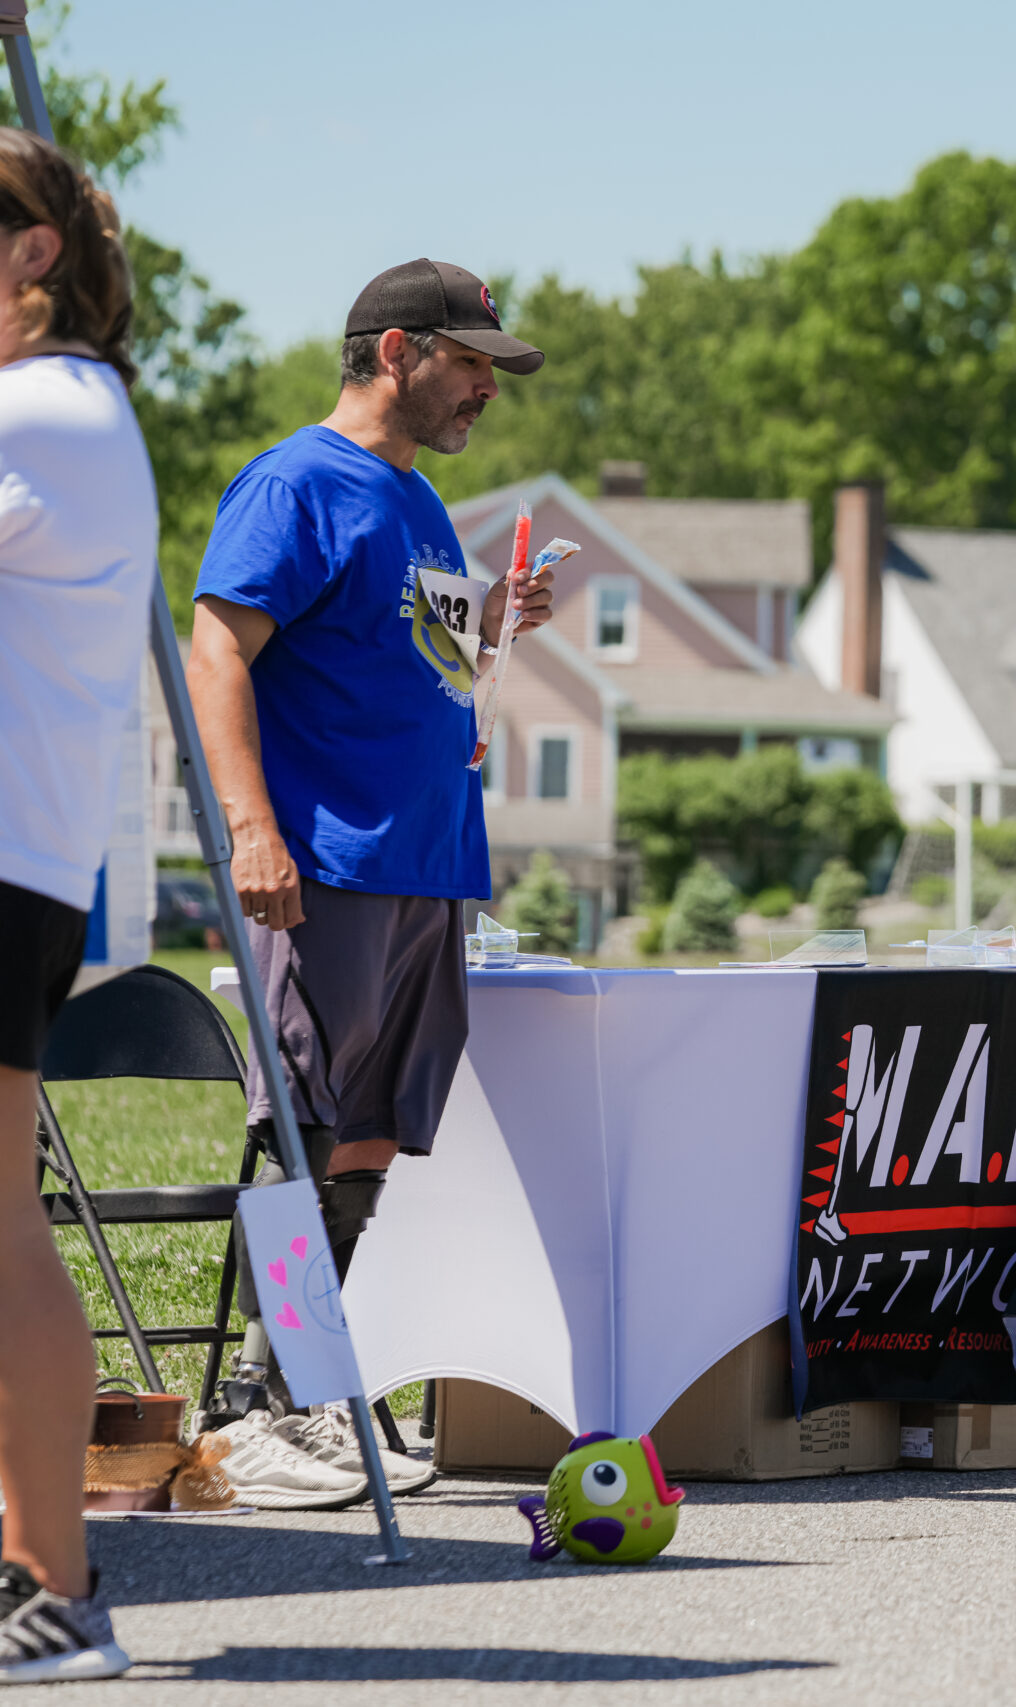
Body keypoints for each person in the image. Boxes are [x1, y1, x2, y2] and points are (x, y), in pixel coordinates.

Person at [187, 258, 553, 1507]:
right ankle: (257, 1402)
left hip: (428, 863)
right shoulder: (294, 482)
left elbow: (424, 664)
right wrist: (250, 828)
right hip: (323, 867)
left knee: (372, 1132)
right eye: (470, 367)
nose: (485, 395)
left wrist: (499, 620)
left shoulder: (421, 504)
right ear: (396, 352)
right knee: (299, 1125)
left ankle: (313, 1387)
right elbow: (217, 653)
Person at [0, 128, 152, 1685]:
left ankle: (54, 1585)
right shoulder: (65, 410)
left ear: (31, 252)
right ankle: (38, 1573)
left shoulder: (45, 409)